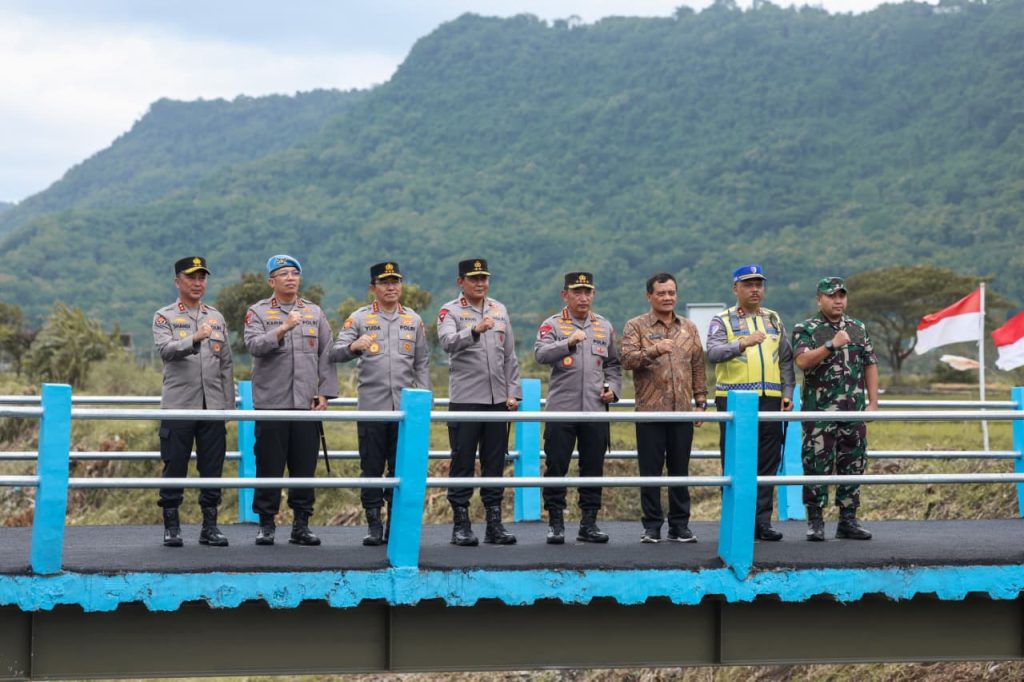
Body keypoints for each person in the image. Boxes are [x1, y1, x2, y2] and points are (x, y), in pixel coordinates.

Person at [331, 261, 431, 546]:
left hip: (405, 411)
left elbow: (422, 363)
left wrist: (424, 398)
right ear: (373, 287)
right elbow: (334, 353)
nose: (391, 287)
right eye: (385, 283)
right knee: (372, 468)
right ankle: (373, 524)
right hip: (372, 408)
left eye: (395, 282)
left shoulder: (413, 319)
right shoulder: (359, 318)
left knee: (400, 469)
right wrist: (353, 347)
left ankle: (394, 524)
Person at [244, 254, 338, 546]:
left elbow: (327, 354)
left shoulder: (314, 312)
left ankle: (301, 524)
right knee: (269, 465)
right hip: (271, 404)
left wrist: (325, 393)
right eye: (283, 274)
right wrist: (282, 329)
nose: (290, 278)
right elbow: (253, 345)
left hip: (305, 405)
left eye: (294, 274)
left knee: (304, 466)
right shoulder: (258, 312)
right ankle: (266, 524)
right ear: (271, 281)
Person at [707, 265, 795, 542]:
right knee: (736, 463)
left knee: (768, 463)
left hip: (770, 399)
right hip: (734, 401)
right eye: (748, 284)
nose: (755, 289)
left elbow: (786, 359)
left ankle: (762, 522)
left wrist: (788, 392)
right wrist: (742, 343)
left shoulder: (773, 318)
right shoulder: (722, 320)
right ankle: (737, 521)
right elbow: (713, 352)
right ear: (736, 289)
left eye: (759, 284)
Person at [437, 259, 521, 546]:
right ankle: (461, 525)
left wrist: (513, 392)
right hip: (466, 400)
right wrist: (474, 331)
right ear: (461, 282)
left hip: (497, 399)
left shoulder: (500, 310)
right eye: (474, 278)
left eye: (484, 278)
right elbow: (447, 342)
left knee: (495, 462)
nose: (480, 283)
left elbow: (509, 355)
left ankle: (494, 524)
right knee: (462, 461)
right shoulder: (450, 310)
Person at [152, 256, 234, 547]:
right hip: (179, 406)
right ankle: (171, 526)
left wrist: (228, 407)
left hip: (212, 406)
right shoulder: (164, 316)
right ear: (178, 281)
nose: (198, 283)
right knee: (175, 465)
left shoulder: (216, 317)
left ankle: (210, 527)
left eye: (202, 278)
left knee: (212, 468)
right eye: (191, 277)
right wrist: (194, 339)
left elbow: (226, 364)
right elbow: (166, 350)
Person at [534, 272, 622, 544]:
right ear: (565, 295)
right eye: (577, 292)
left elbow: (613, 364)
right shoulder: (552, 324)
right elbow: (540, 354)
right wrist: (568, 343)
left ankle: (589, 523)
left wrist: (613, 389)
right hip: (562, 409)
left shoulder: (603, 326)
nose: (583, 297)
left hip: (595, 409)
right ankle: (556, 523)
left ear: (593, 294)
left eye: (587, 292)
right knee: (556, 466)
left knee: (593, 467)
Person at [620, 272, 707, 543]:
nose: (667, 297)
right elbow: (626, 359)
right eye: (661, 293)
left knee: (680, 470)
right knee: (651, 471)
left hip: (682, 410)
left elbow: (698, 366)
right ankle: (652, 526)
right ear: (649, 296)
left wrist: (701, 402)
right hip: (650, 411)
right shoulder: (635, 326)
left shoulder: (689, 328)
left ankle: (680, 525)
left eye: (671, 292)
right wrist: (654, 350)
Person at [792, 276, 879, 541]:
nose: (838, 300)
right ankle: (815, 521)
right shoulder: (806, 328)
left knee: (853, 463)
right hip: (819, 413)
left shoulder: (857, 327)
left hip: (853, 411)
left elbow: (870, 363)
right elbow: (802, 361)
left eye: (842, 295)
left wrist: (873, 402)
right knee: (816, 465)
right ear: (820, 299)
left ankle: (848, 520)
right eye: (832, 296)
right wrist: (831, 344)